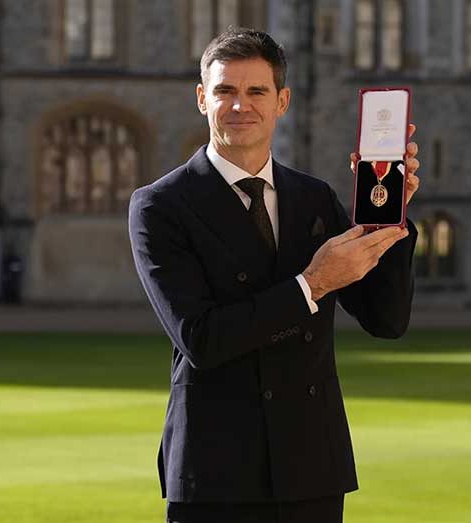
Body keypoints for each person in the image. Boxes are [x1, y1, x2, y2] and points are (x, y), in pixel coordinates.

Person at [128, 27, 421, 523]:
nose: (240, 105)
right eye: (225, 91)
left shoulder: (314, 197)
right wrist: (312, 285)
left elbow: (385, 320)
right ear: (202, 99)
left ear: (282, 101)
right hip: (217, 470)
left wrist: (388, 218)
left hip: (312, 465)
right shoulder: (160, 206)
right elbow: (202, 339)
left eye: (256, 91)